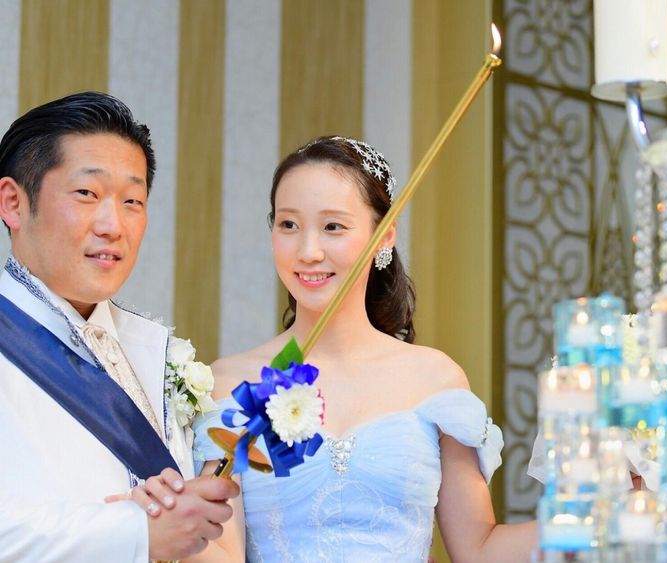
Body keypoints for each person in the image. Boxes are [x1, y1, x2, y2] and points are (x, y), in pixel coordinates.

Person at [135, 135, 537, 562]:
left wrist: (585, 513)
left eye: (333, 227)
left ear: (384, 236)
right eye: (288, 225)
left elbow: (479, 550)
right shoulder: (233, 382)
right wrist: (158, 522)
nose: (308, 252)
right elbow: (223, 554)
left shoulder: (436, 379)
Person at [0, 91, 239, 562]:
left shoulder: (156, 349)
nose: (113, 225)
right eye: (87, 194)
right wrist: (137, 533)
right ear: (13, 202)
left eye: (133, 200)